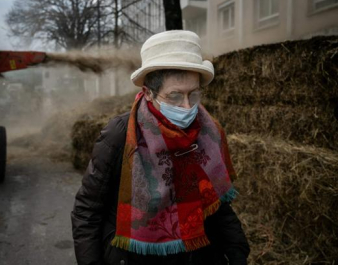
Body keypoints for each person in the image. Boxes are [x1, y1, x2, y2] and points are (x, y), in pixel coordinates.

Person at [71, 30, 250, 265]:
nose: (187, 107)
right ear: (148, 93)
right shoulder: (122, 134)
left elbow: (217, 204)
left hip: (197, 255)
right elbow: (87, 211)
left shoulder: (207, 132)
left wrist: (237, 252)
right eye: (175, 96)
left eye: (193, 95)